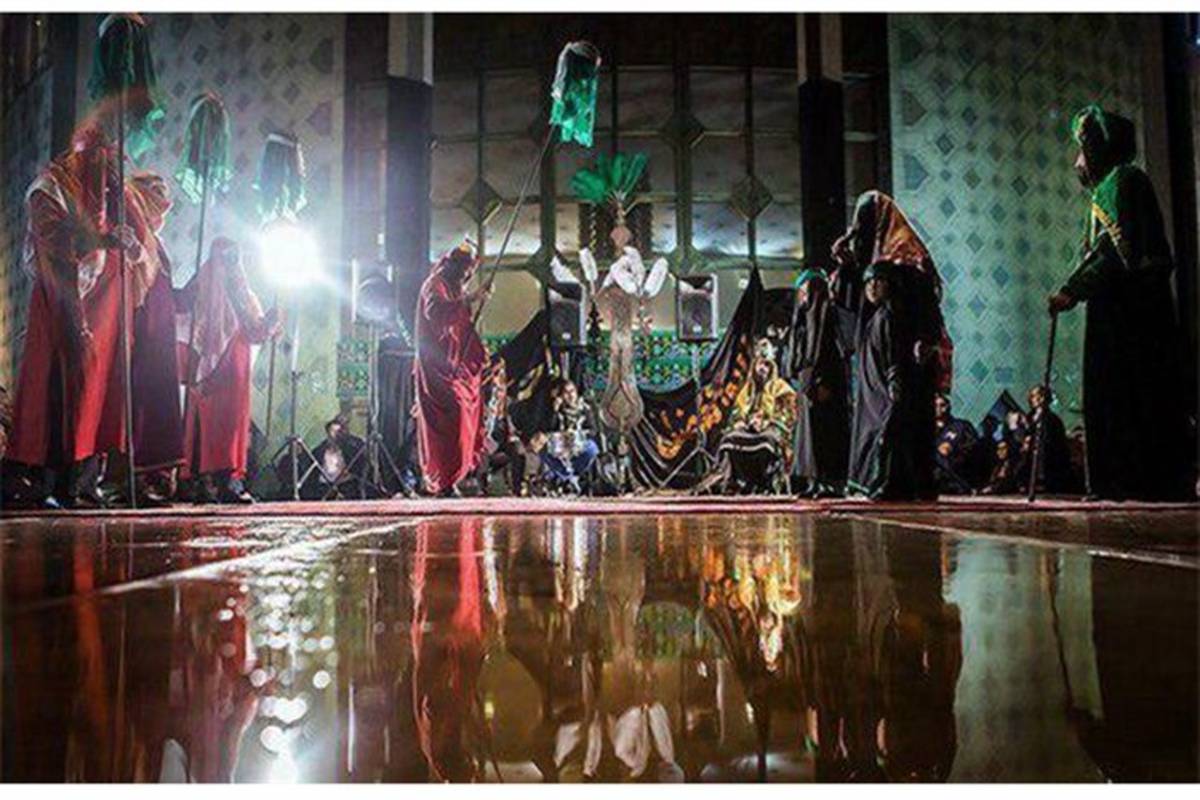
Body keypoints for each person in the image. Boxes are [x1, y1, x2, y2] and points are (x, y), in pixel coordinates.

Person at [1047, 105, 1193, 501]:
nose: (1078, 162)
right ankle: (1128, 479)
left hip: (1130, 312)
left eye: (1083, 149)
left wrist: (1072, 290)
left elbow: (1111, 252)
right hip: (1120, 307)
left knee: (1128, 393)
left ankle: (1133, 480)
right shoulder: (1110, 188)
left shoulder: (1121, 182)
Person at [4, 125, 146, 508]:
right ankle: (52, 482)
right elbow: (55, 240)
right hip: (60, 301)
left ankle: (84, 479)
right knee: (60, 389)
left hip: (101, 309)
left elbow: (125, 245)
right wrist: (102, 239)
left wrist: (124, 241)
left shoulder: (102, 197)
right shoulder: (49, 189)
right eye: (97, 163)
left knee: (96, 395)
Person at [833, 191, 951, 500]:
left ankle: (899, 483)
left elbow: (926, 305)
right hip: (875, 353)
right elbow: (853, 303)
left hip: (905, 354)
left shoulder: (909, 257)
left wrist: (926, 339)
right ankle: (872, 480)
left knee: (901, 416)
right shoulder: (869, 258)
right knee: (876, 417)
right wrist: (846, 267)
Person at [176, 238, 281, 503]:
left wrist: (271, 321)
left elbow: (256, 330)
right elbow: (180, 309)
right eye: (224, 256)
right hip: (207, 365)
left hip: (235, 363)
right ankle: (200, 483)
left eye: (233, 257)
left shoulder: (241, 290)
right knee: (203, 424)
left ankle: (227, 484)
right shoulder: (200, 284)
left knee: (231, 426)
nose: (229, 262)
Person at [413, 243, 491, 497]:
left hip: (457, 369)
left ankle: (457, 477)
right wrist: (470, 299)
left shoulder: (456, 287)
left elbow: (461, 329)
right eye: (465, 269)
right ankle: (443, 480)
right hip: (437, 370)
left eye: (470, 271)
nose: (467, 275)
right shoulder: (434, 284)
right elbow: (437, 313)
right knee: (451, 419)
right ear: (453, 266)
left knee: (468, 417)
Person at [127, 171, 185, 504]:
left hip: (162, 333)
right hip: (141, 327)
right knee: (140, 400)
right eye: (156, 197)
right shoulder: (134, 236)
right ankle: (132, 478)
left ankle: (158, 476)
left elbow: (168, 294)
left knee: (161, 400)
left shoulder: (157, 243)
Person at [846, 263, 915, 500]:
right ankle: (871, 484)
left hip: (884, 390)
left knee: (885, 436)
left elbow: (895, 353)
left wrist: (895, 381)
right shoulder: (874, 318)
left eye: (879, 281)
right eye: (869, 282)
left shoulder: (889, 317)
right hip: (871, 389)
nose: (872, 287)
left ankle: (886, 484)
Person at [784, 268, 849, 497]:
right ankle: (813, 480)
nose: (803, 295)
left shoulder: (828, 314)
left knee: (826, 432)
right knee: (810, 435)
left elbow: (831, 351)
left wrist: (822, 381)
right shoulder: (804, 316)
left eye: (807, 290)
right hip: (808, 381)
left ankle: (830, 482)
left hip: (825, 381)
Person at [712, 339, 796, 495]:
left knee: (767, 441)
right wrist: (740, 422)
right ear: (754, 366)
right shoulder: (747, 389)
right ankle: (739, 481)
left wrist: (765, 423)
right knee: (729, 438)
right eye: (760, 364)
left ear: (772, 368)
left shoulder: (781, 388)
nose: (763, 368)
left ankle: (766, 483)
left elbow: (787, 415)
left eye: (767, 365)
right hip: (749, 428)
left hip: (771, 428)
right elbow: (737, 412)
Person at [538, 377, 599, 494]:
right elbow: (549, 428)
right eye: (566, 393)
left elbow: (593, 430)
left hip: (579, 443)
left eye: (572, 392)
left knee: (592, 448)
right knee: (542, 450)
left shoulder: (585, 408)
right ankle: (569, 477)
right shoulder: (558, 410)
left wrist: (579, 434)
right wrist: (554, 411)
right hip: (561, 444)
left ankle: (567, 476)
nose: (570, 396)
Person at [1024, 384, 1074, 494]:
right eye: (1034, 396)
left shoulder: (1053, 420)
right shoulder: (1029, 417)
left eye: (1039, 396)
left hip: (1049, 455)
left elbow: (1057, 442)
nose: (1036, 399)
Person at [933, 393, 979, 495]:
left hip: (955, 469)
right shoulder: (924, 429)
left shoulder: (961, 426)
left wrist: (954, 449)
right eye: (935, 406)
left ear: (948, 406)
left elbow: (973, 446)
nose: (938, 409)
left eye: (942, 405)